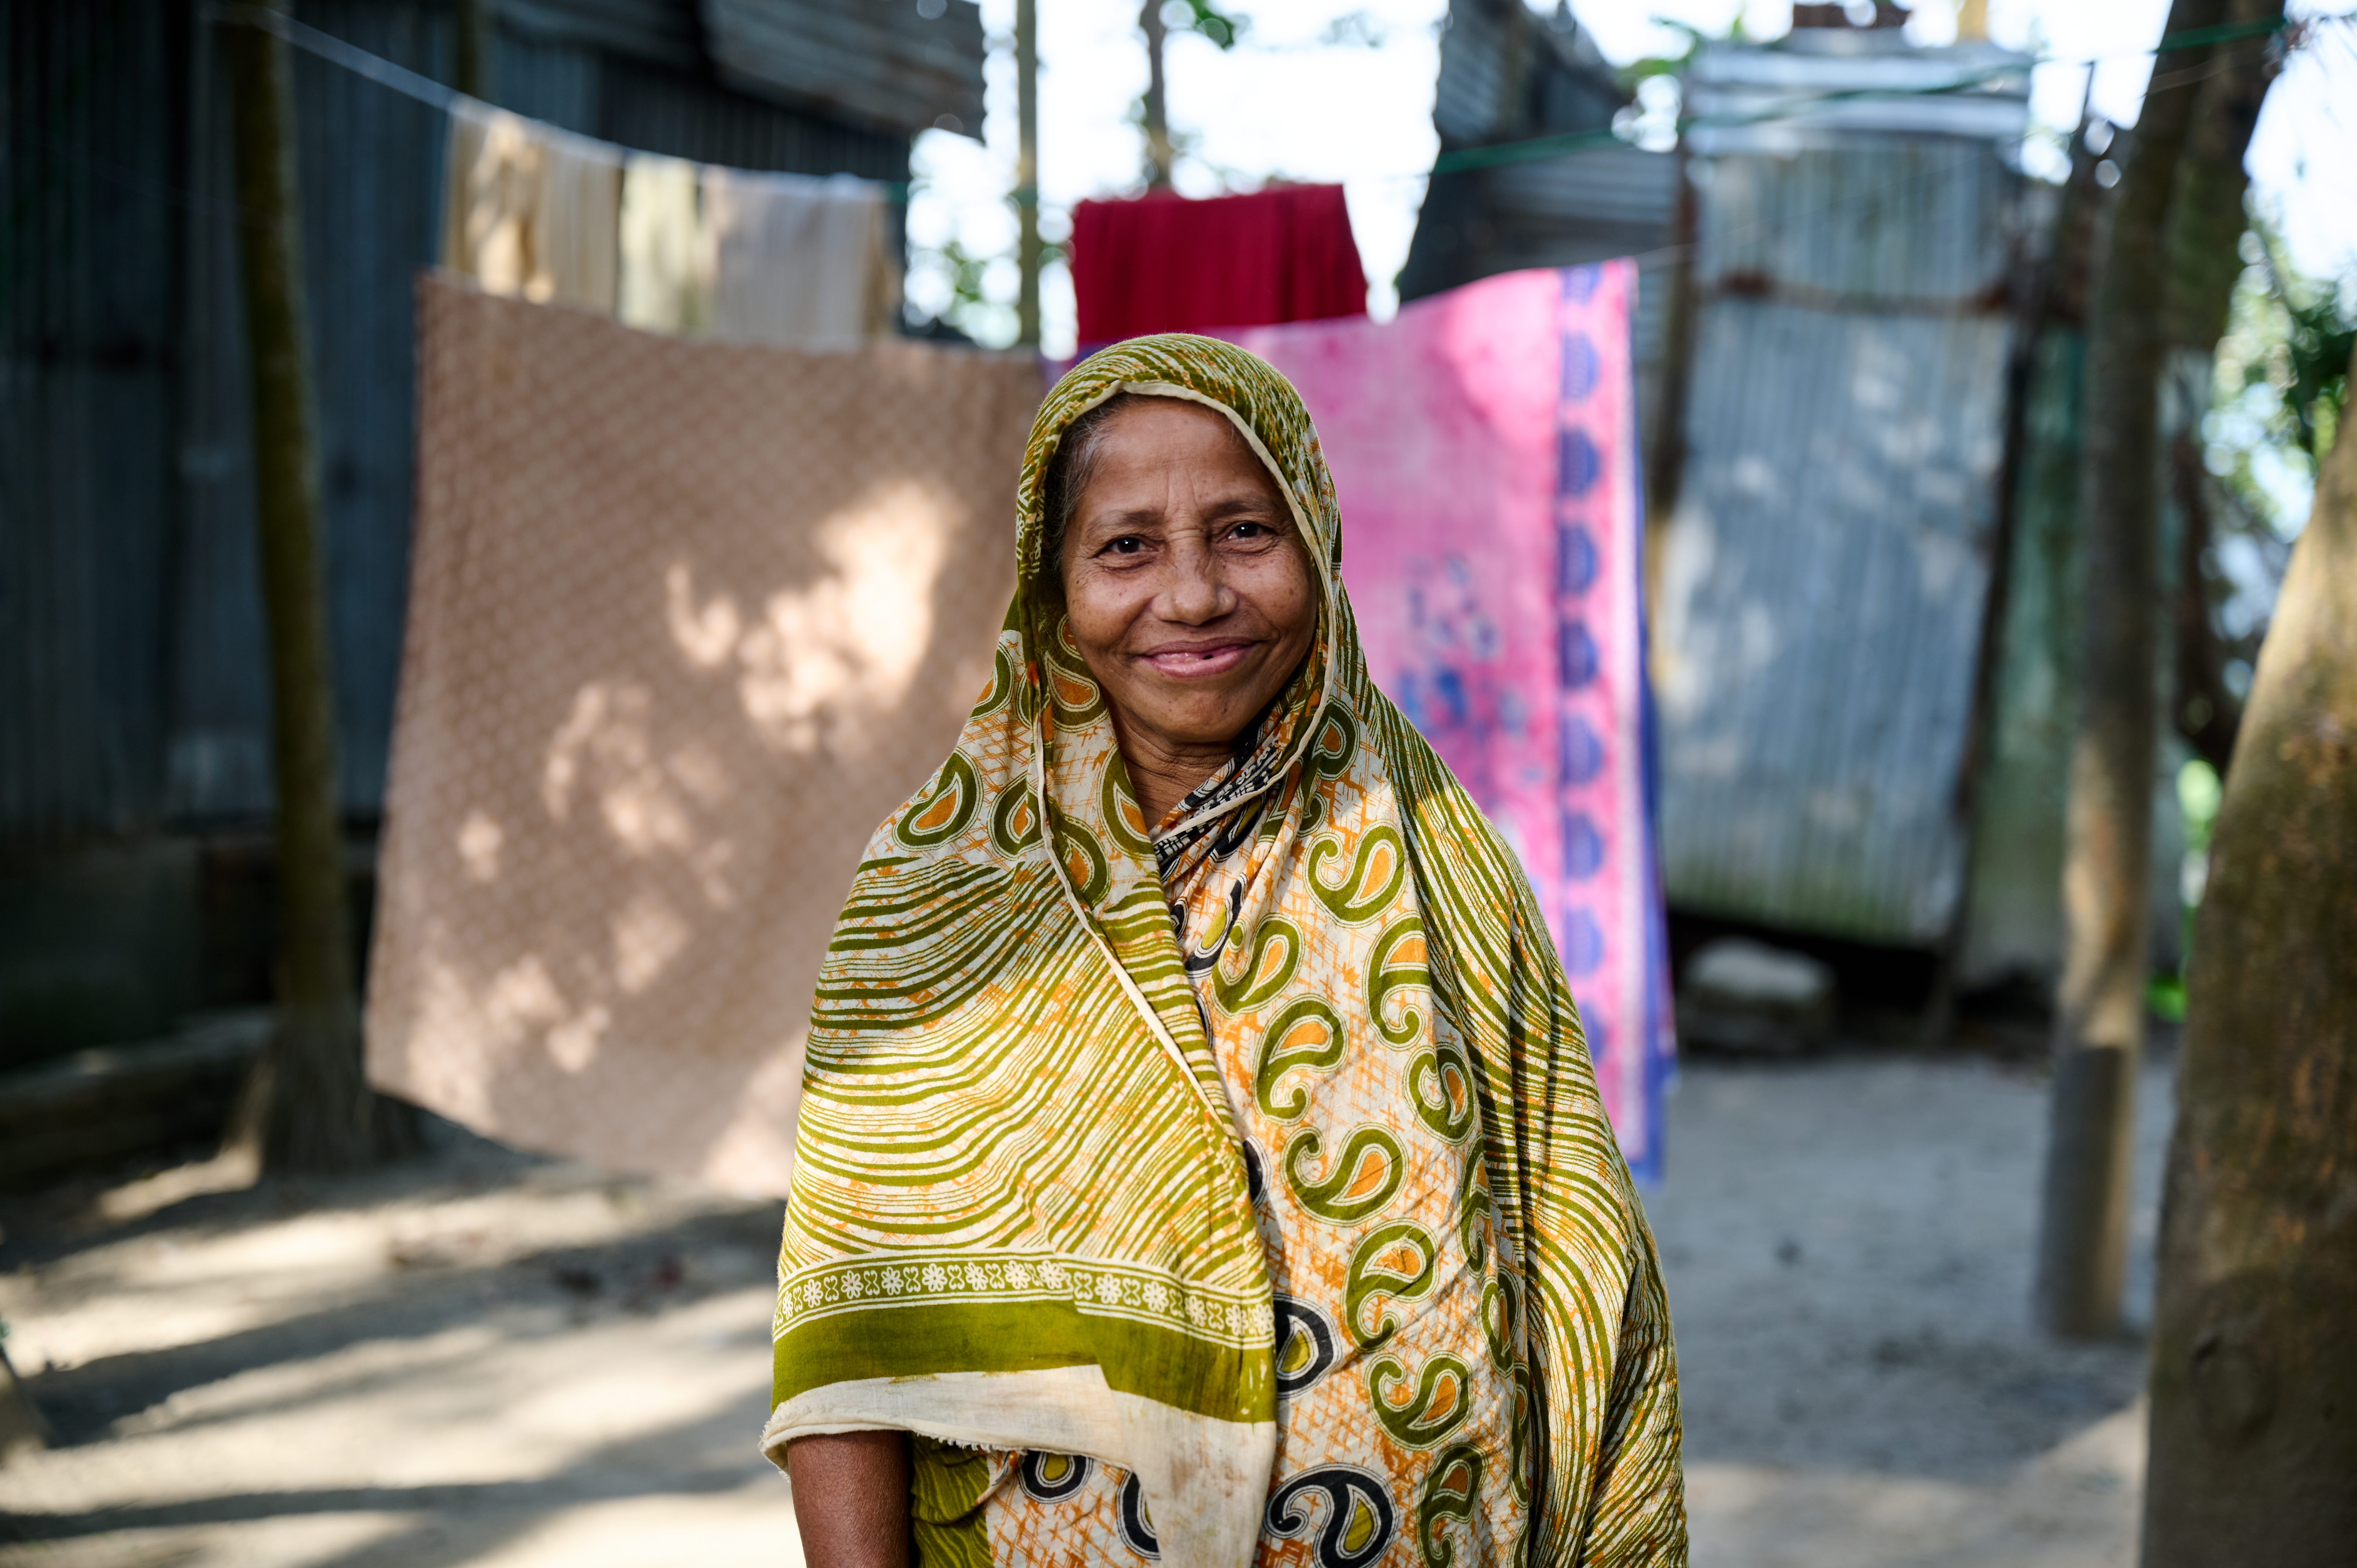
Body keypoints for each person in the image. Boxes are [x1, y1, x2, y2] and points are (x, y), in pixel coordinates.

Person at [763, 335, 1684, 1568]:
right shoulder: (937, 899)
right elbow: (849, 1334)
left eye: (1246, 531)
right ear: (1054, 585)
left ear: (1319, 543)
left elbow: (1580, 1272)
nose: (1192, 595)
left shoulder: (1440, 867)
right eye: (1127, 544)